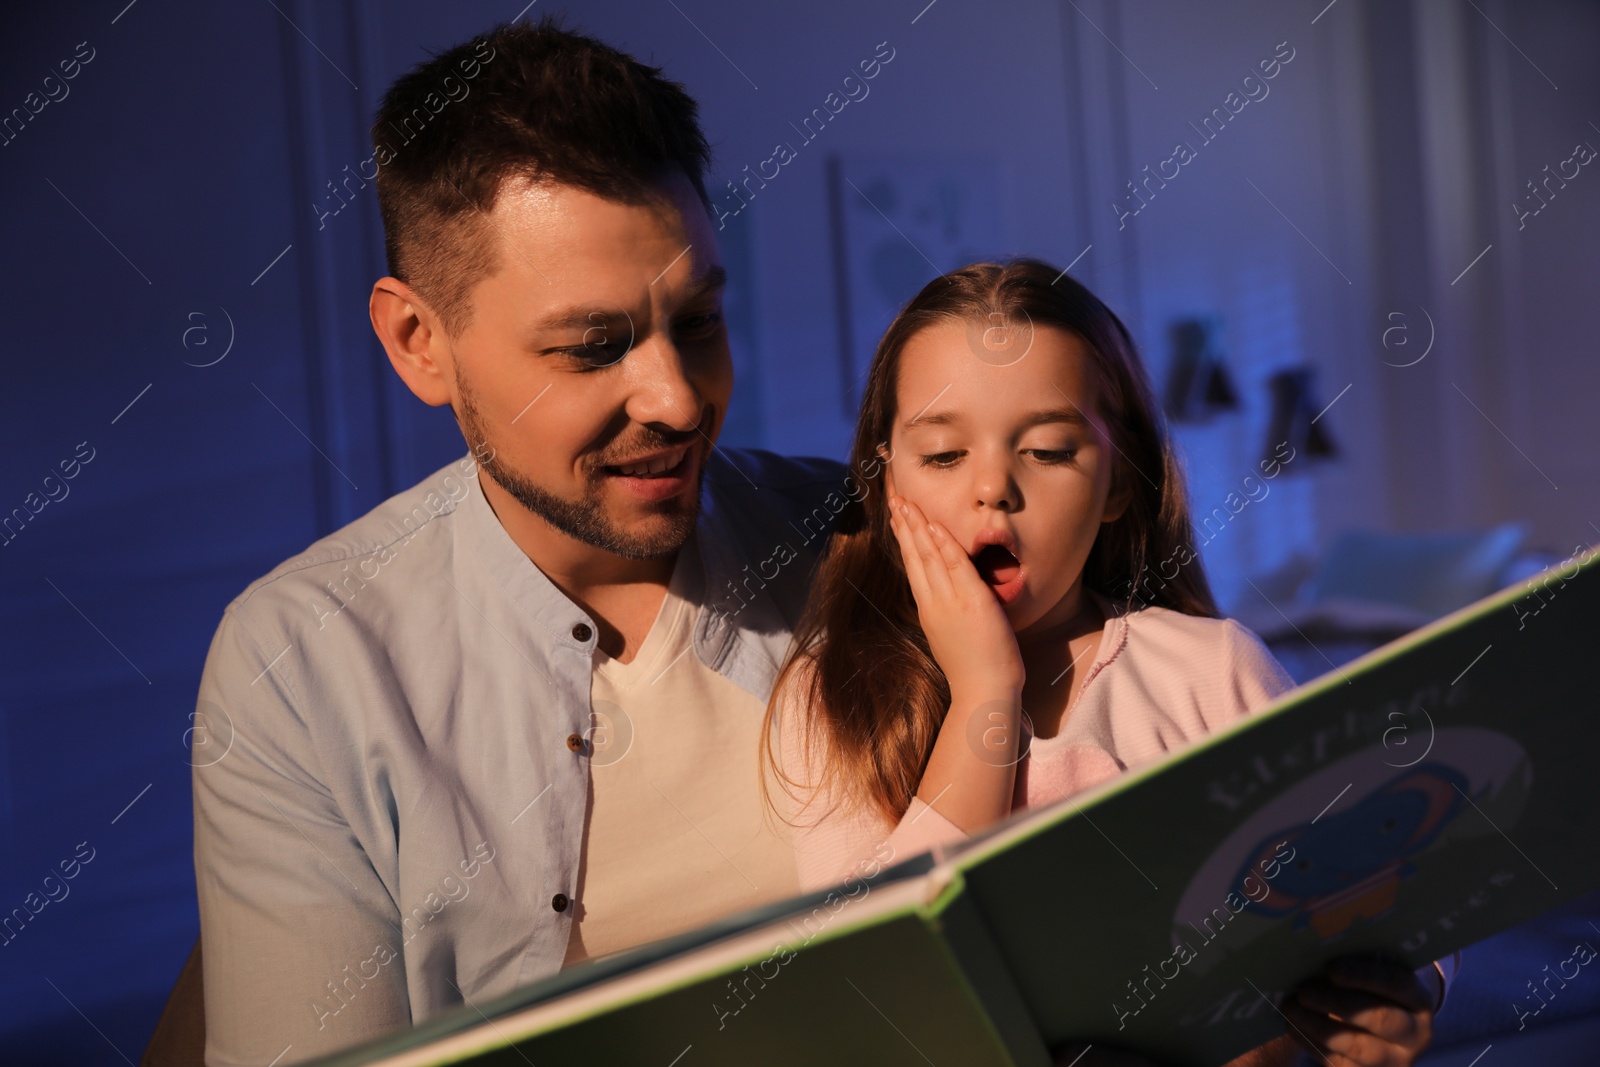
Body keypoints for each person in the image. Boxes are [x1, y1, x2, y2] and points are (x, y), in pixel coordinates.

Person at [190, 18, 855, 1066]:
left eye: (698, 322)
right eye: (594, 348)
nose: (678, 399)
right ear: (420, 342)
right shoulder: (302, 663)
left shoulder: (861, 539)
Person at [763, 259, 1452, 1067]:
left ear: (1119, 479)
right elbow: (871, 988)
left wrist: (1405, 995)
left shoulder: (1208, 667)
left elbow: (1389, 887)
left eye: (1050, 450)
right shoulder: (829, 693)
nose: (993, 487)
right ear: (887, 486)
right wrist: (987, 688)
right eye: (945, 455)